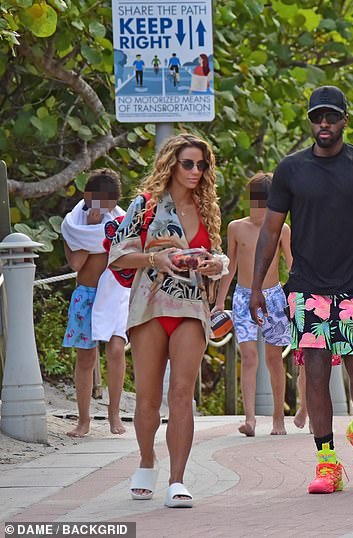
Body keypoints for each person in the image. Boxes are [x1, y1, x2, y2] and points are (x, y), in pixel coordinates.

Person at [248, 85, 353, 494]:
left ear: (344, 120)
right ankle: (327, 463)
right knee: (314, 372)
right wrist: (255, 288)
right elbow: (269, 232)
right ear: (310, 121)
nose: (324, 124)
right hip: (308, 289)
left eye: (331, 117)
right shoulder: (291, 170)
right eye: (317, 117)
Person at [108, 133, 228, 508]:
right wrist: (153, 259)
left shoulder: (206, 207)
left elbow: (217, 254)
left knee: (181, 393)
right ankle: (146, 461)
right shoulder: (144, 206)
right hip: (150, 307)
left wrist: (216, 264)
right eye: (188, 163)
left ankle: (178, 479)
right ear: (171, 164)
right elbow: (118, 255)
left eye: (202, 164)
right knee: (147, 397)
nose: (195, 171)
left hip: (192, 307)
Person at [213, 172, 292, 436]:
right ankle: (250, 419)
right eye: (255, 202)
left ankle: (278, 418)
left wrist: (300, 298)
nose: (258, 209)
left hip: (274, 296)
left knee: (274, 358)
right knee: (248, 357)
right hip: (243, 296)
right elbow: (231, 266)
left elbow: (292, 266)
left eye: (265, 203)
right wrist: (218, 302)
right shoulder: (236, 227)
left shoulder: (282, 229)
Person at [61, 169, 128, 437]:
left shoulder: (121, 222)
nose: (107, 210)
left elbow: (126, 253)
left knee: (115, 350)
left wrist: (103, 230)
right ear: (90, 198)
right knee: (86, 357)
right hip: (86, 293)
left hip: (114, 293)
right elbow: (76, 263)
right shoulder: (72, 224)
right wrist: (90, 230)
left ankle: (114, 414)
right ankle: (84, 420)